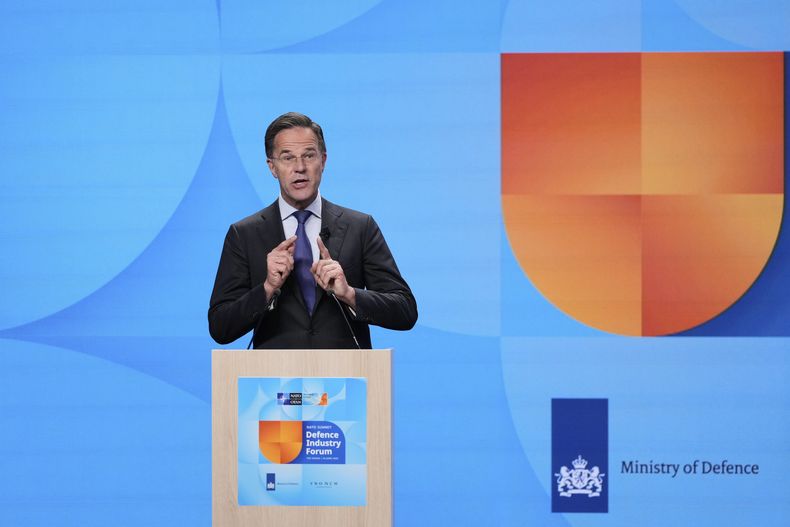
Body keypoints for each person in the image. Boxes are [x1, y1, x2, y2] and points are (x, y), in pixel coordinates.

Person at [208, 112, 417, 349]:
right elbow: (220, 326)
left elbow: (405, 310)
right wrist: (266, 289)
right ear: (272, 167)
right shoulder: (244, 234)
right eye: (287, 158)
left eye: (309, 155)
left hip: (346, 380)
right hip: (274, 380)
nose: (300, 167)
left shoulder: (360, 227)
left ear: (323, 160)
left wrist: (349, 294)